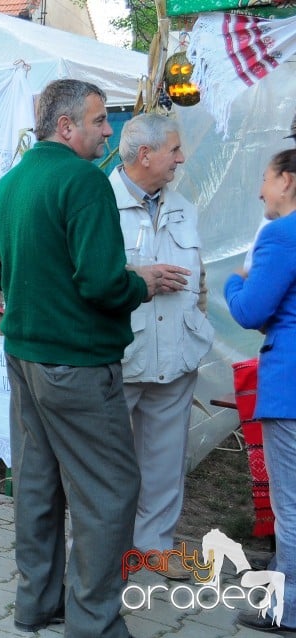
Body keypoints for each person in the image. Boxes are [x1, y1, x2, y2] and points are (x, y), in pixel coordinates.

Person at [0, 79, 187, 637]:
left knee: (37, 483)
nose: (109, 131)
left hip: (27, 358)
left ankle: (36, 604)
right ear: (66, 127)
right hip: (77, 363)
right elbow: (103, 282)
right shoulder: (84, 180)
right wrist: (141, 283)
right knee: (110, 491)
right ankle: (95, 623)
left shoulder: (16, 180)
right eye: (100, 119)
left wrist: (23, 286)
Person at [110, 113, 214, 578]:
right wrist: (138, 278)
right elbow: (86, 275)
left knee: (165, 459)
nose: (181, 157)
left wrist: (198, 317)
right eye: (173, 149)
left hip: (176, 353)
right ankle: (108, 552)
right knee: (108, 462)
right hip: (121, 353)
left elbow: (202, 278)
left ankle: (155, 546)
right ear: (145, 154)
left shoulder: (185, 208)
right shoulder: (97, 202)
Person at [227, 149, 296, 633]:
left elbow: (251, 310)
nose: (260, 190)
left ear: (288, 181)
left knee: (291, 506)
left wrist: (234, 283)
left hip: (290, 386)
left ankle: (288, 608)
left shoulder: (281, 235)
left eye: (266, 179)